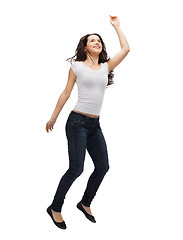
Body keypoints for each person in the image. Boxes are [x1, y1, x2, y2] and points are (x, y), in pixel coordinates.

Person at [45, 15, 130, 229]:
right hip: (77, 123)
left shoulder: (105, 66)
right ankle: (55, 207)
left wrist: (117, 26)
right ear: (85, 47)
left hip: (95, 125)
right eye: (93, 40)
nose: (97, 42)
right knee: (76, 169)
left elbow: (126, 49)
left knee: (103, 166)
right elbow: (66, 93)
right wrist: (53, 116)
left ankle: (85, 203)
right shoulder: (76, 66)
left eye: (99, 40)